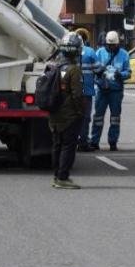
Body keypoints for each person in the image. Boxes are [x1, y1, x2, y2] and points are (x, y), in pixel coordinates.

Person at [49, 33, 86, 189]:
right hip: (70, 115)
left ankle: (57, 176)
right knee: (68, 147)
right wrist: (80, 112)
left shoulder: (54, 67)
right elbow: (77, 95)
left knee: (57, 145)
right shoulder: (74, 70)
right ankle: (63, 177)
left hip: (55, 114)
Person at [89, 31, 131, 151]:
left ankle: (113, 142)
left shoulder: (124, 55)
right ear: (106, 44)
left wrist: (120, 74)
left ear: (118, 44)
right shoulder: (99, 53)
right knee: (98, 116)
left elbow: (128, 72)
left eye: (114, 45)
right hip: (102, 90)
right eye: (109, 45)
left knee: (115, 117)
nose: (111, 47)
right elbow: (94, 69)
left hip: (116, 91)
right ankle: (94, 141)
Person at [76, 38, 98, 152]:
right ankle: (83, 142)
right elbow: (98, 68)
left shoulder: (67, 52)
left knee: (73, 117)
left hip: (72, 92)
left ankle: (72, 141)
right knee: (85, 117)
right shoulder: (90, 52)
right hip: (86, 91)